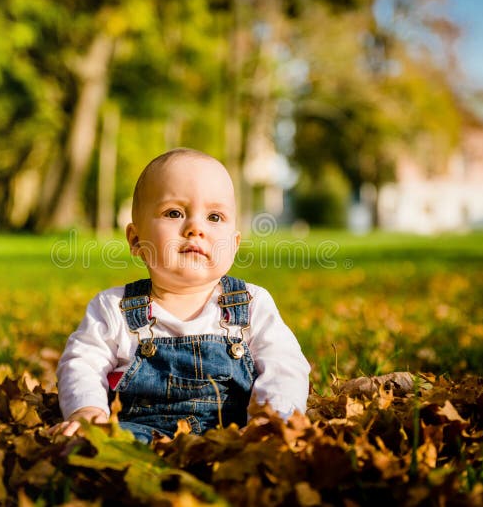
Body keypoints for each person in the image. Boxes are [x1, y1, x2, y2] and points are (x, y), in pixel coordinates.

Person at [51, 148, 310, 443]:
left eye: (214, 216)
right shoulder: (113, 309)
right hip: (138, 435)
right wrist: (87, 409)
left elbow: (285, 365)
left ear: (234, 245)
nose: (195, 228)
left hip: (234, 437)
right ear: (136, 239)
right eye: (174, 213)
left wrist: (272, 416)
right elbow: (81, 363)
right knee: (85, 450)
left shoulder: (252, 305)